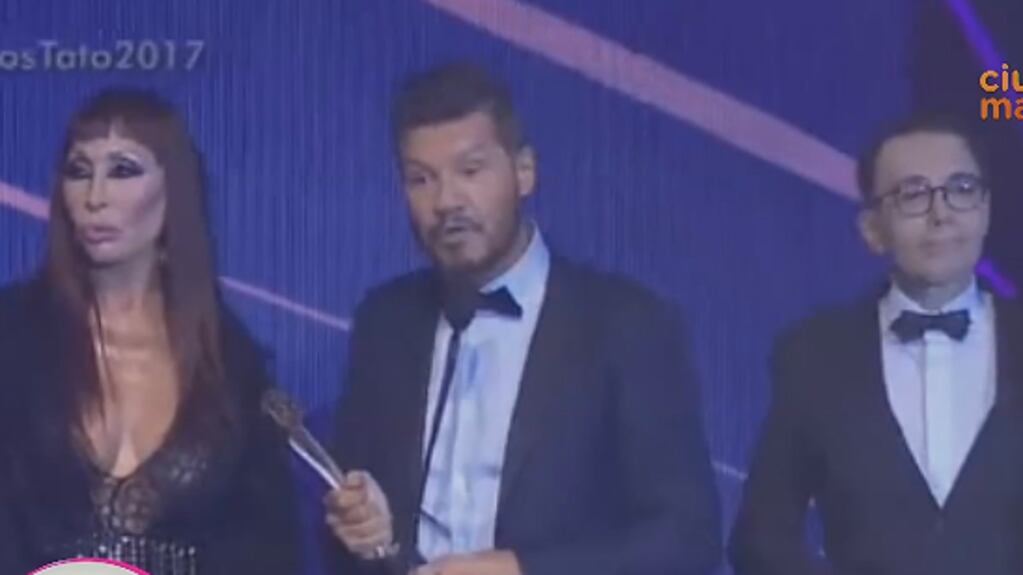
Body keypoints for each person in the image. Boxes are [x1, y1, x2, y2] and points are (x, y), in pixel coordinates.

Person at [322, 62, 721, 575]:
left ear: (524, 171)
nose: (446, 201)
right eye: (421, 179)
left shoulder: (627, 325)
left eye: (470, 171)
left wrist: (521, 570)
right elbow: (355, 526)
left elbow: (687, 540)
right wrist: (365, 529)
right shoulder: (385, 322)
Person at [0, 89, 302, 575]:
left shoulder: (231, 366)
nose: (96, 197)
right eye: (79, 171)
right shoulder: (12, 337)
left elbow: (270, 551)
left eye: (123, 170)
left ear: (174, 187)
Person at [729, 112, 1023, 575]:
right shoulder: (814, 356)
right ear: (872, 229)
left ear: (986, 209)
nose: (941, 214)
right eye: (913, 195)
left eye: (961, 189)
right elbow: (761, 537)